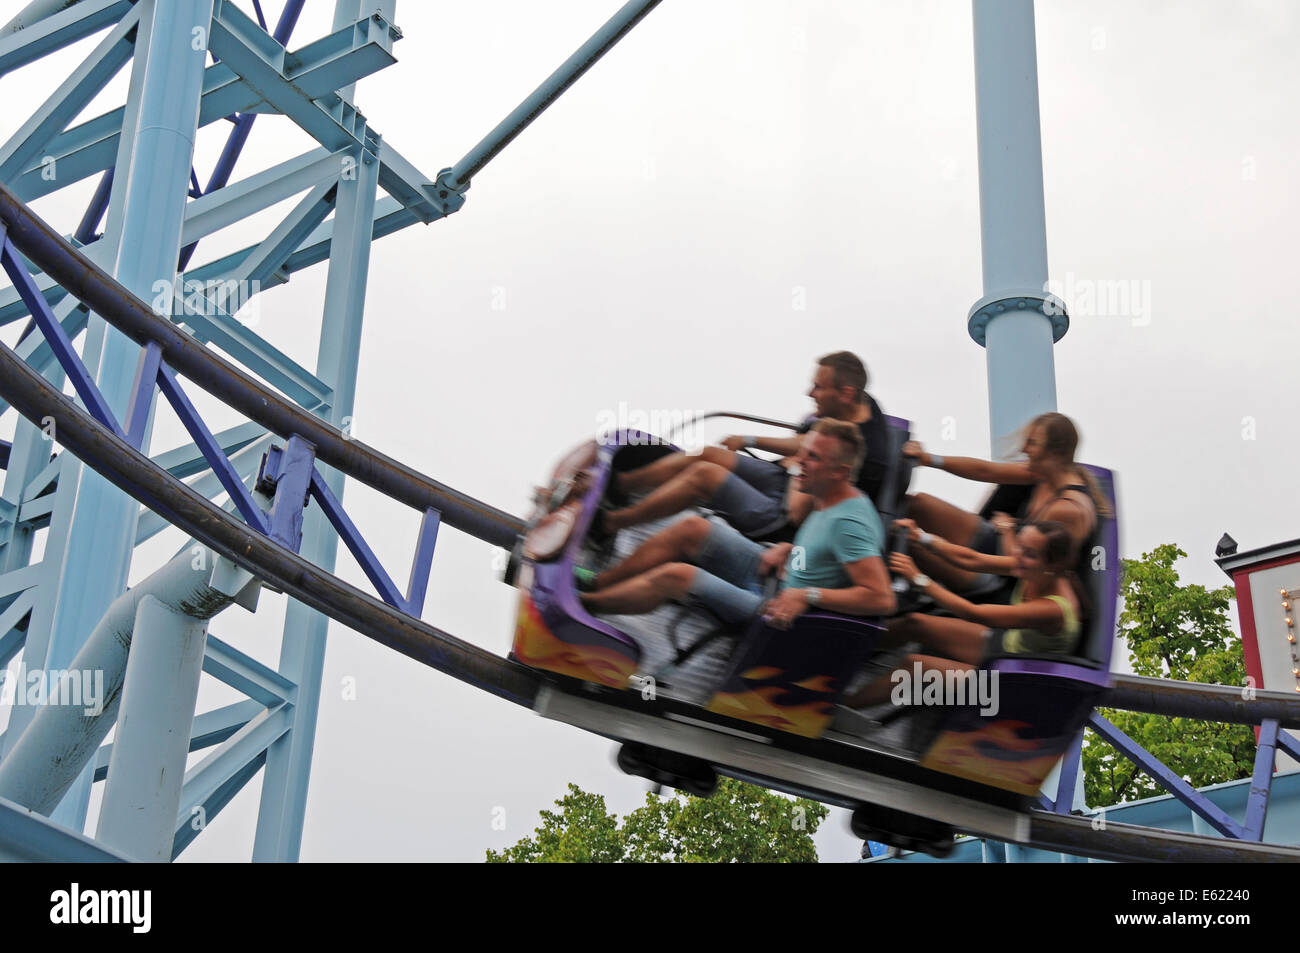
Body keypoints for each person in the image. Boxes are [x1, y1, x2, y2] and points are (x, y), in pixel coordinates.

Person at [579, 420, 895, 627]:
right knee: (693, 528)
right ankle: (599, 583)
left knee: (677, 575)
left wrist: (806, 596)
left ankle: (585, 606)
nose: (799, 462)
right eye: (805, 453)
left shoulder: (850, 522)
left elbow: (881, 597)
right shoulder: (827, 495)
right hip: (772, 574)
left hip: (774, 610)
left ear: (838, 472)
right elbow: (827, 554)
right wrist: (789, 549)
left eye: (812, 458)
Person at [595, 351, 890, 541]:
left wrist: (799, 463)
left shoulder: (869, 457)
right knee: (710, 454)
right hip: (783, 478)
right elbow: (805, 441)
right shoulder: (862, 405)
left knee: (705, 475)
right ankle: (618, 485)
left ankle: (610, 523)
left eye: (819, 387)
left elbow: (805, 508)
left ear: (846, 393)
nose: (809, 393)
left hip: (787, 518)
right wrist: (751, 441)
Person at [841, 520, 1086, 708]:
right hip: (1008, 646)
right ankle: (840, 654)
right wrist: (923, 537)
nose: (1017, 556)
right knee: (914, 623)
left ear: (1053, 565)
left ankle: (838, 708)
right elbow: (972, 559)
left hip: (1011, 679)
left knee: (916, 667)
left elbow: (975, 613)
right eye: (1020, 548)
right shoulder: (1033, 566)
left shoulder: (1053, 609)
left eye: (1029, 553)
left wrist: (919, 579)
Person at [900, 412, 1107, 596]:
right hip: (997, 540)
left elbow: (1022, 566)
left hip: (1003, 577)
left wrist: (928, 540)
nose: (1024, 449)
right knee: (916, 504)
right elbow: (986, 471)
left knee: (907, 542)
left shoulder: (1067, 510)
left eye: (1032, 444)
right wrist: (928, 459)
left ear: (1055, 453)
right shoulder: (1046, 473)